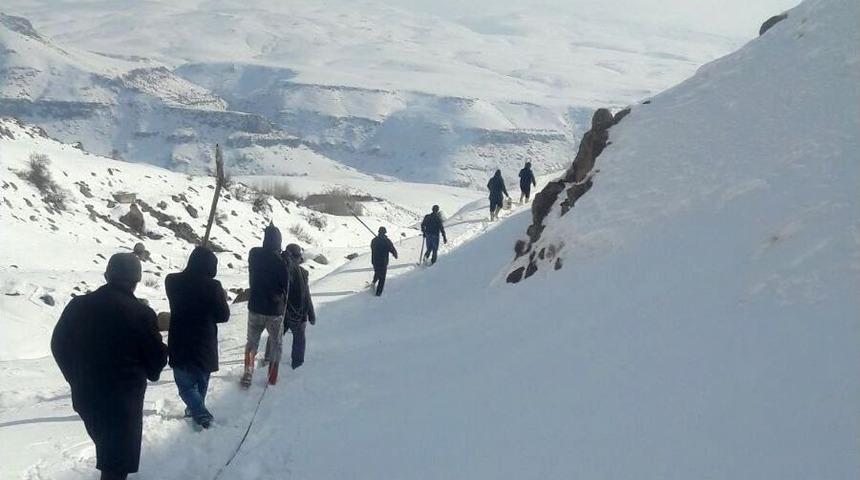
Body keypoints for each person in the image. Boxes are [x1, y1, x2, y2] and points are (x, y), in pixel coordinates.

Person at [51, 253, 167, 480]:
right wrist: (163, 350)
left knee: (108, 453)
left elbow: (58, 345)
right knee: (115, 466)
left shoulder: (77, 305)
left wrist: (75, 377)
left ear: (107, 275)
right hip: (122, 404)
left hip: (85, 396)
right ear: (136, 280)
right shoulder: (141, 313)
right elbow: (155, 363)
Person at [165, 246, 230, 429]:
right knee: (199, 383)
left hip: (180, 339)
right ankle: (202, 415)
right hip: (204, 342)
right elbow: (223, 316)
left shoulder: (172, 281)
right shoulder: (213, 286)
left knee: (185, 385)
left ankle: (193, 410)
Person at [242, 223, 290, 388]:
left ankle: (248, 372)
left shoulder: (254, 254)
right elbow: (286, 284)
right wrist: (286, 260)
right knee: (276, 343)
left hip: (255, 306)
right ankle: (272, 376)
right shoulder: (281, 262)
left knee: (252, 342)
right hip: (274, 310)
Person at [264, 244, 317, 370]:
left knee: (275, 335)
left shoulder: (277, 270)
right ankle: (297, 364)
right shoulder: (302, 273)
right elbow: (306, 295)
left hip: (281, 311)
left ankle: (268, 359)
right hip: (298, 313)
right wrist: (311, 314)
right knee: (299, 338)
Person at [370, 226, 398, 296]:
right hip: (383, 262)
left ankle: (373, 283)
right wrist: (395, 254)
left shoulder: (374, 240)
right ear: (385, 233)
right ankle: (378, 293)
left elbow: (372, 248)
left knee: (377, 272)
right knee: (382, 278)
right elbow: (392, 249)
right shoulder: (387, 241)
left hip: (375, 261)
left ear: (379, 232)